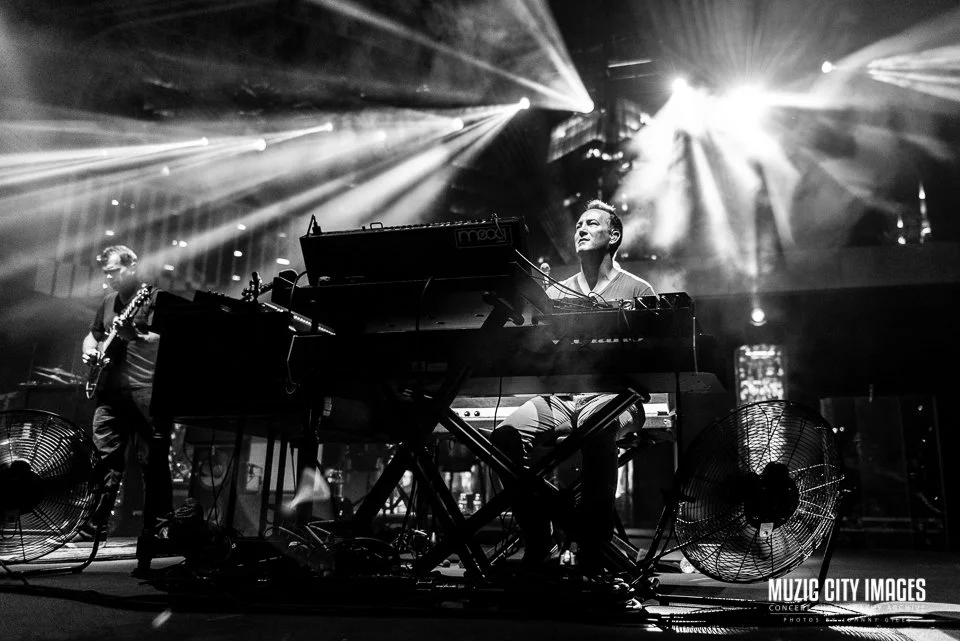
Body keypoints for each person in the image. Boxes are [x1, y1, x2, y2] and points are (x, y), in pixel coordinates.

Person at [489, 199, 657, 575]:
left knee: (596, 429)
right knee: (504, 438)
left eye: (592, 224)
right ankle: (540, 535)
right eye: (578, 224)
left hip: (615, 398)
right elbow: (540, 351)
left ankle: (593, 546)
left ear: (614, 236)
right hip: (562, 399)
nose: (581, 229)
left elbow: (653, 356)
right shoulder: (556, 293)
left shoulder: (638, 289)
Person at [81, 245, 172, 577]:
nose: (109, 277)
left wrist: (135, 335)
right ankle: (94, 526)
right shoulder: (108, 302)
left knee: (152, 463)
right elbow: (92, 336)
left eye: (114, 271)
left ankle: (158, 531)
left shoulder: (155, 298)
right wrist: (90, 351)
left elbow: (167, 341)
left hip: (146, 390)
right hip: (110, 392)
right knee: (103, 458)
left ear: (132, 267)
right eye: (105, 272)